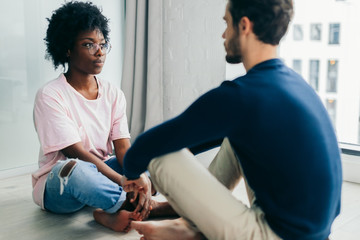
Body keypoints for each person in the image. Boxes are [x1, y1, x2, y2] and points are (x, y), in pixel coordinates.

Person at [119, 0, 343, 239]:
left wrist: (134, 174)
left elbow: (148, 145)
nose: (223, 34)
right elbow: (194, 136)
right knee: (238, 138)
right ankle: (191, 225)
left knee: (160, 155)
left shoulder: (242, 95)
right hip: (315, 232)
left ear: (244, 26)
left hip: (279, 235)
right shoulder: (295, 83)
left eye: (227, 23)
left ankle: (192, 230)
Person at [31, 1, 154, 232]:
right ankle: (140, 205)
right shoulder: (50, 95)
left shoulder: (113, 93)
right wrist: (123, 181)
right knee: (77, 170)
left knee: (149, 160)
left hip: (103, 171)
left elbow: (123, 150)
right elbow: (76, 154)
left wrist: (135, 174)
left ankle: (111, 209)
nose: (100, 52)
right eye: (89, 45)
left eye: (102, 44)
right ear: (67, 49)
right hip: (61, 182)